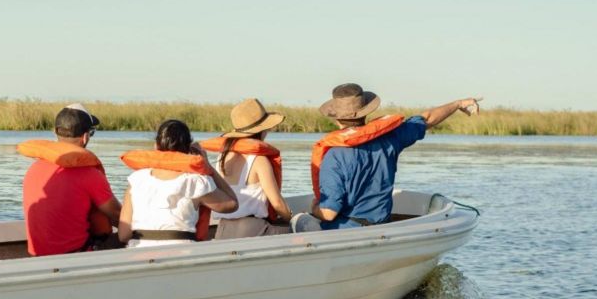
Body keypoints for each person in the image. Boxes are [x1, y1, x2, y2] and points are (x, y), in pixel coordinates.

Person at [292, 83, 480, 232]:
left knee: (298, 220)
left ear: (336, 117)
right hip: (380, 227)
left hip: (343, 232)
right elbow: (427, 118)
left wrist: (314, 208)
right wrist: (458, 104)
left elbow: (329, 213)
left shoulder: (334, 156)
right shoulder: (390, 139)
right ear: (367, 111)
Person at [118, 119, 238, 248]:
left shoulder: (136, 179)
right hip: (181, 252)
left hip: (138, 251)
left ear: (156, 146)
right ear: (188, 149)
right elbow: (232, 204)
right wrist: (207, 166)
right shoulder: (195, 181)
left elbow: (123, 235)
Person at [20, 103, 121, 256]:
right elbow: (119, 216)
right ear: (86, 136)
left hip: (37, 256)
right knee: (132, 236)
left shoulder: (33, 169)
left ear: (55, 133)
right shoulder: (89, 174)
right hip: (75, 256)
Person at [201, 98, 293, 239]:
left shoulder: (223, 157)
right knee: (307, 227)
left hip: (223, 229)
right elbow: (277, 203)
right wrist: (292, 218)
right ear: (261, 130)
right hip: (252, 229)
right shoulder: (259, 160)